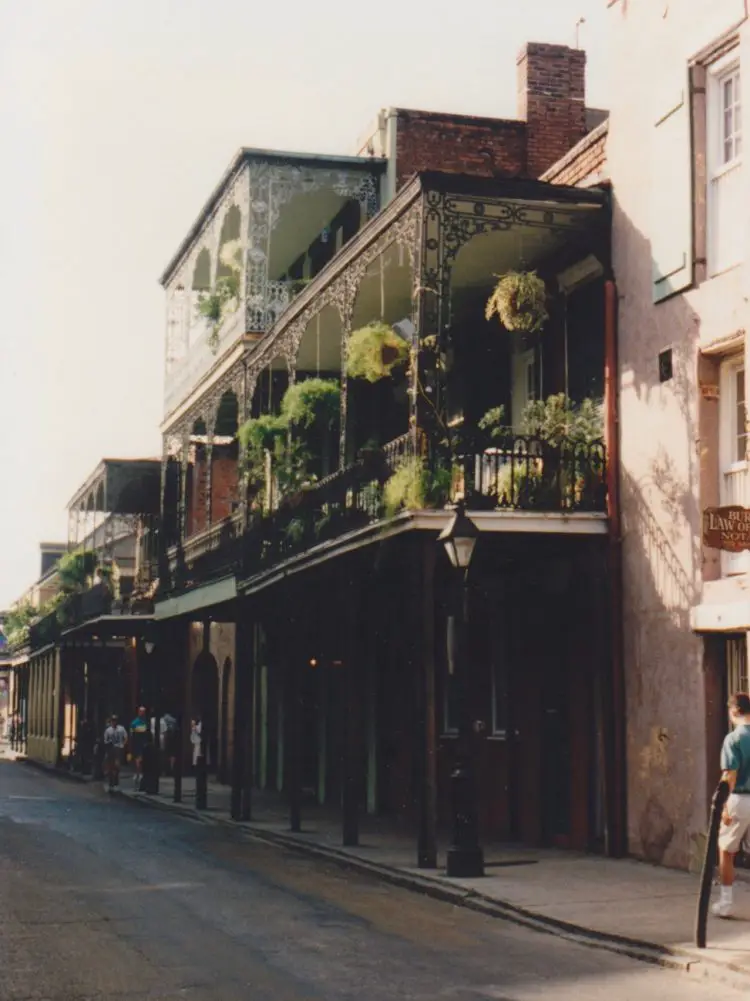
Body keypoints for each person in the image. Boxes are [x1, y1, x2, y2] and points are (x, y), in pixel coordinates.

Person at [713, 692, 750, 918]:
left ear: (734, 711)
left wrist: (723, 805)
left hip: (740, 799)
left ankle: (726, 903)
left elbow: (730, 776)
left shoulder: (733, 739)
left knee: (726, 850)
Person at [103, 715, 128, 792]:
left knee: (117, 766)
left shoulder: (121, 729)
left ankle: (116, 783)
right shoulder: (108, 730)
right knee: (111, 767)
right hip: (111, 749)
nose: (114, 722)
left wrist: (123, 745)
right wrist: (108, 744)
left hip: (118, 748)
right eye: (113, 721)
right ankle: (111, 784)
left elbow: (126, 737)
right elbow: (105, 740)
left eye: (115, 721)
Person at [129, 706, 150, 792]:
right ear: (138, 712)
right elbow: (131, 735)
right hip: (137, 745)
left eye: (144, 712)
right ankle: (137, 778)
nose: (143, 713)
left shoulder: (146, 722)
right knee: (138, 762)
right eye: (141, 712)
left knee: (142, 762)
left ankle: (140, 778)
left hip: (144, 745)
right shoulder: (134, 723)